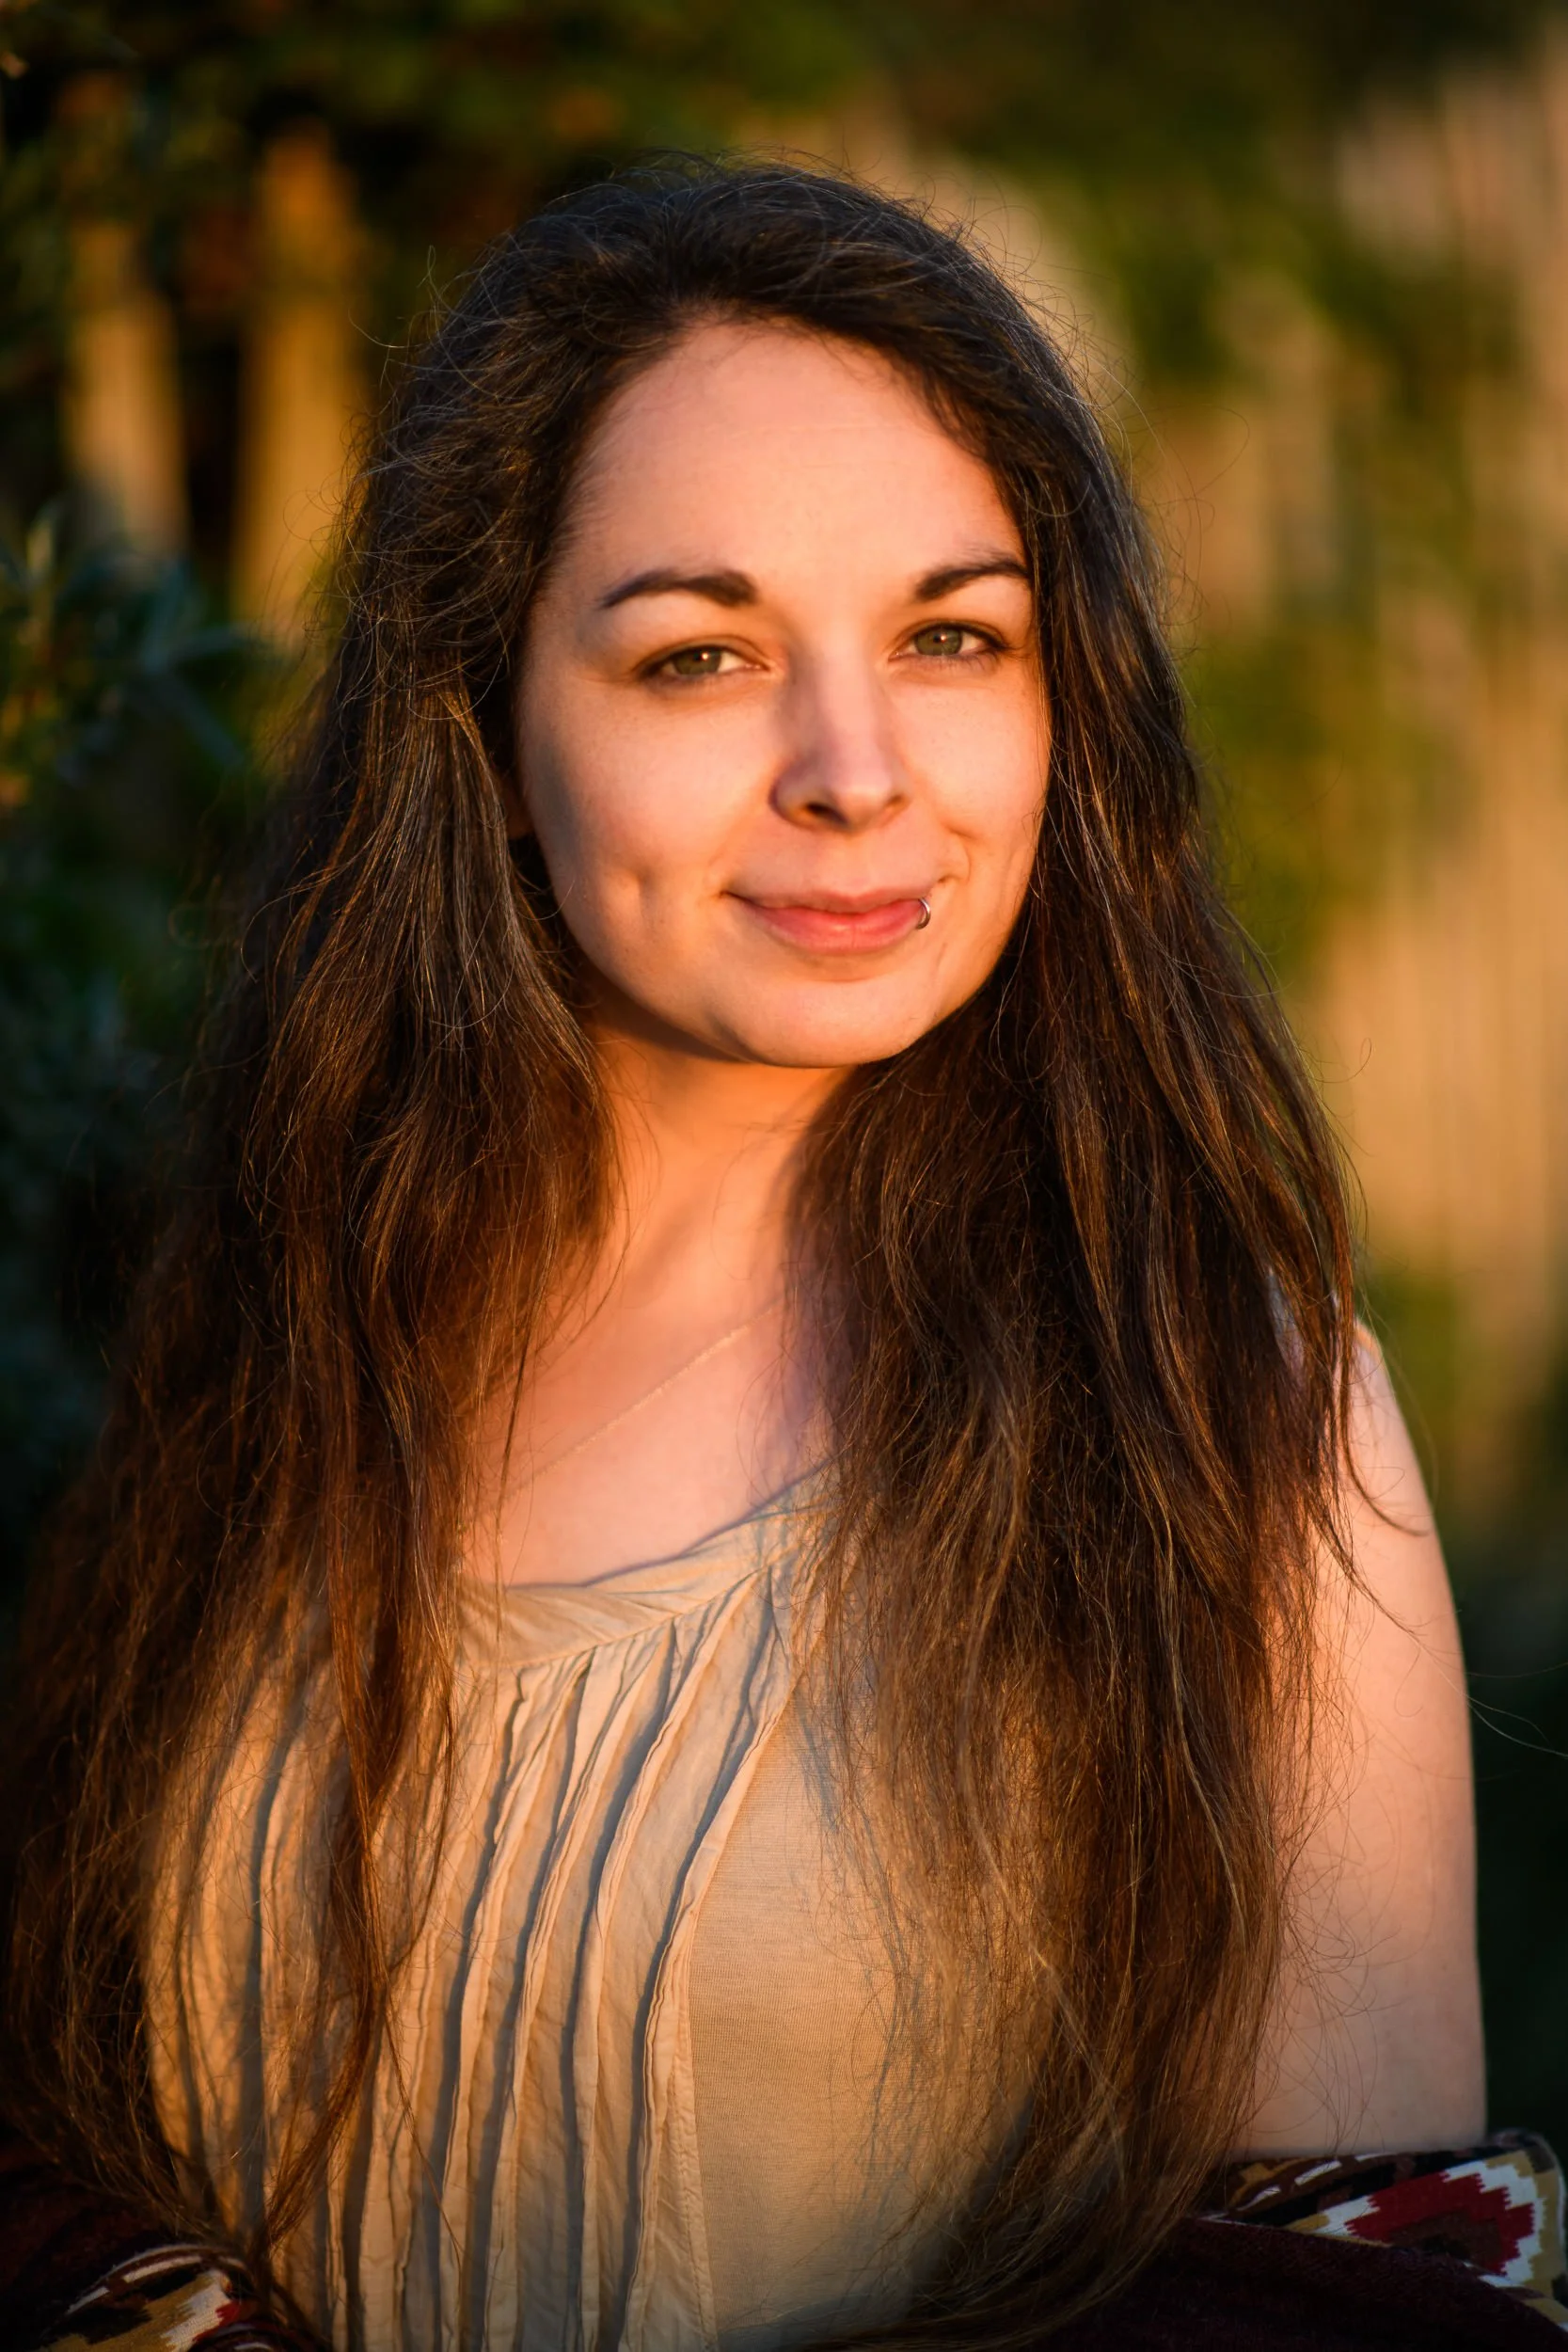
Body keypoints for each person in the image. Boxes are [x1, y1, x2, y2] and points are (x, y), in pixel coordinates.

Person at [0, 160, 1511, 2352]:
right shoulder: (297, 1318)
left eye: (950, 636)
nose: (853, 769)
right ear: (491, 729)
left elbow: (1359, 2315)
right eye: (700, 654)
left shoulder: (1230, 1411)